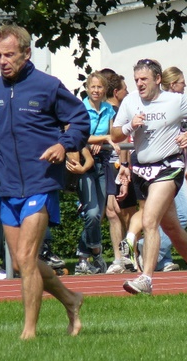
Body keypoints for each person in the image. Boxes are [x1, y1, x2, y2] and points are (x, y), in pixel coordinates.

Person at [0, 24, 88, 340]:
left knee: (25, 258)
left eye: (9, 54)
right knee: (24, 261)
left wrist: (64, 145)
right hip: (7, 185)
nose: (3, 61)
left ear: (26, 53)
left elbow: (80, 120)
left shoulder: (48, 86)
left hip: (41, 181)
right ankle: (71, 299)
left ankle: (29, 332)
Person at [111, 58, 187, 295]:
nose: (139, 84)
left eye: (144, 79)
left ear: (157, 79)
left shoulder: (175, 100)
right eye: (136, 80)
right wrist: (129, 126)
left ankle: (146, 278)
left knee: (150, 220)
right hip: (142, 170)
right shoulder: (130, 101)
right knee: (171, 226)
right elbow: (115, 135)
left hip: (169, 166)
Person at [74, 72, 117, 275]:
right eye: (93, 87)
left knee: (98, 215)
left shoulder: (109, 109)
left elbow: (113, 135)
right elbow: (78, 135)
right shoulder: (80, 109)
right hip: (84, 162)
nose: (96, 90)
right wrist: (101, 139)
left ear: (105, 89)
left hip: (103, 163)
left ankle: (85, 259)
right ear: (87, 88)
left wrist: (104, 139)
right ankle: (95, 252)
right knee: (91, 213)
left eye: (100, 87)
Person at [99, 70, 137, 275]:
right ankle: (118, 258)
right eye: (125, 89)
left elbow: (125, 140)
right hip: (110, 164)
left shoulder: (122, 111)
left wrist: (125, 165)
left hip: (121, 164)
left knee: (126, 212)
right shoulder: (107, 110)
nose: (128, 92)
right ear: (116, 92)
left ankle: (133, 256)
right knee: (112, 212)